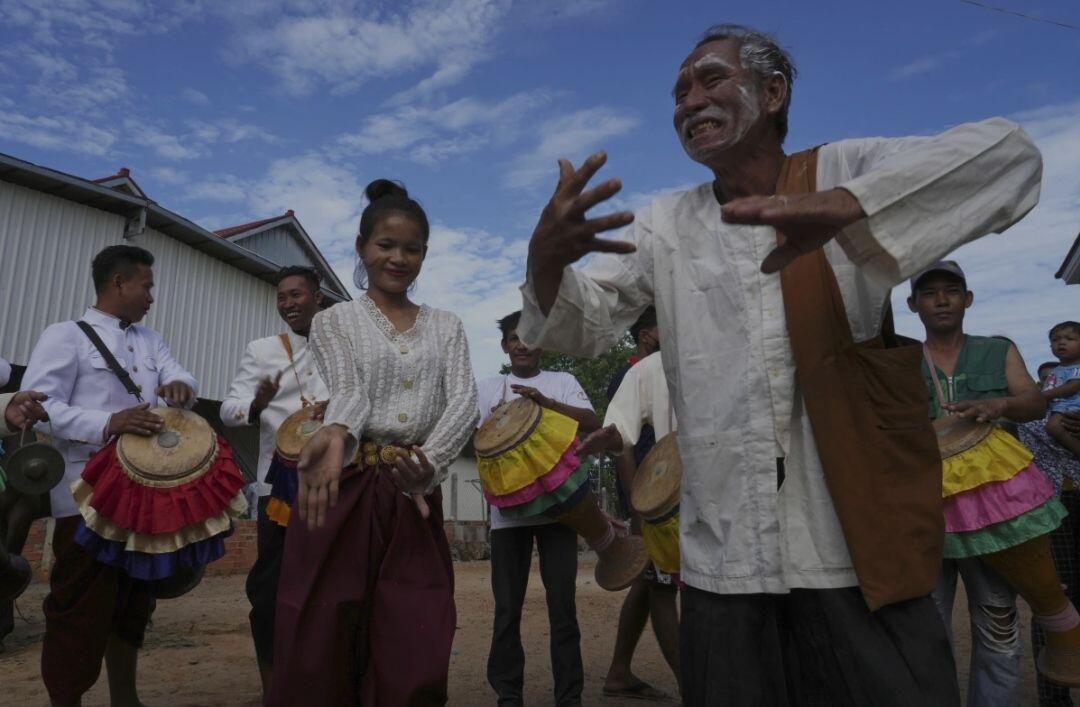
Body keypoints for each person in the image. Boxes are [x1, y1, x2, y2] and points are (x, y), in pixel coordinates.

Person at [517, 22, 1042, 705]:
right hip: (724, 562)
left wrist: (855, 207)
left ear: (772, 93)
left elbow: (1014, 158)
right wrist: (546, 257)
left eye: (709, 79)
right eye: (678, 91)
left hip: (854, 553)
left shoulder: (843, 169)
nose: (687, 100)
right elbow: (581, 324)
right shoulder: (664, 225)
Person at [269, 180, 479, 706]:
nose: (399, 257)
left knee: (416, 632)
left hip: (414, 495)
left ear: (425, 255)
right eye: (386, 245)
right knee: (325, 628)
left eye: (412, 248)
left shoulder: (448, 327)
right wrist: (338, 430)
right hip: (347, 486)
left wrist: (428, 463)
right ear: (362, 247)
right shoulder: (334, 321)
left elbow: (464, 403)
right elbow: (352, 392)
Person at [21, 244, 198, 707]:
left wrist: (183, 387)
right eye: (147, 285)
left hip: (145, 494)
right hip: (88, 498)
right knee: (80, 607)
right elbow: (41, 410)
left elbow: (180, 375)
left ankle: (126, 697)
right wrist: (107, 424)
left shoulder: (151, 338)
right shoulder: (66, 336)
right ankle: (67, 700)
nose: (151, 296)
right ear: (119, 283)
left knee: (135, 601)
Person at [907, 261, 1049, 705]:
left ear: (968, 300)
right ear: (914, 305)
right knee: (926, 631)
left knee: (998, 623)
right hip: (923, 509)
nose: (943, 299)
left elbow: (1034, 402)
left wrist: (1000, 403)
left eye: (952, 290)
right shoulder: (903, 360)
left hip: (993, 512)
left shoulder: (996, 348)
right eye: (931, 293)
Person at [477, 310, 598, 707]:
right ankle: (508, 696)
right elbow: (475, 441)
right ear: (505, 346)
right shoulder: (489, 388)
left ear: (541, 343)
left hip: (558, 511)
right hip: (506, 518)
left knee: (562, 607)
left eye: (528, 337)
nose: (521, 344)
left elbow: (590, 420)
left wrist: (545, 403)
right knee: (507, 610)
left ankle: (570, 698)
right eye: (513, 338)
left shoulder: (561, 382)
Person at [219, 265, 329, 699]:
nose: (288, 304)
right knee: (270, 595)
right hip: (279, 492)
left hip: (341, 484)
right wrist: (255, 403)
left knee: (332, 591)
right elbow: (229, 407)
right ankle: (275, 690)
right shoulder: (263, 349)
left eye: (297, 295)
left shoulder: (347, 345)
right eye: (281, 297)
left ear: (318, 297)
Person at [579, 345, 681, 699]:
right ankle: (695, 684)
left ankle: (619, 671)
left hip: (673, 498)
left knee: (648, 583)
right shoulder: (638, 373)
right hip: (656, 506)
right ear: (647, 332)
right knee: (662, 586)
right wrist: (638, 512)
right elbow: (622, 443)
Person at [1023, 354, 1080, 706]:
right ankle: (1053, 696)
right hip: (1051, 513)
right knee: (1053, 598)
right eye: (1047, 382)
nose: (1053, 387)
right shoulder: (1026, 424)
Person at [1043, 322, 1080, 458]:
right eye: (1055, 340)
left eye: (1069, 339)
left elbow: (1072, 387)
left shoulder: (1077, 366)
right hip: (1060, 408)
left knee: (1053, 427)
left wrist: (1042, 396)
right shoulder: (1056, 370)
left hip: (1073, 407)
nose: (1061, 343)